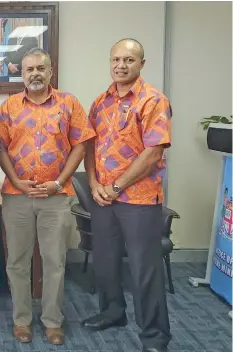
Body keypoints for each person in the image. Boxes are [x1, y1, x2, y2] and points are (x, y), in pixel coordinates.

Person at [0, 47, 96, 345]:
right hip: (17, 196)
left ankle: (53, 321)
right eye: (30, 69)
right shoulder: (9, 106)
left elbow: (81, 144)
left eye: (41, 68)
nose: (36, 73)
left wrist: (59, 181)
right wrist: (15, 181)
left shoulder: (69, 104)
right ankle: (22, 321)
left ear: (51, 71)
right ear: (21, 74)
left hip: (55, 196)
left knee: (55, 261)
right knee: (17, 262)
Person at [82, 38, 172, 352]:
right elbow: (89, 145)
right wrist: (93, 184)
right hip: (103, 197)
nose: (121, 65)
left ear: (141, 64)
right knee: (106, 260)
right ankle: (112, 311)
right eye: (116, 59)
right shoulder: (100, 102)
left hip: (139, 200)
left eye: (129, 60)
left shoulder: (152, 100)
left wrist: (117, 186)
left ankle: (155, 335)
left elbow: (153, 153)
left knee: (143, 267)